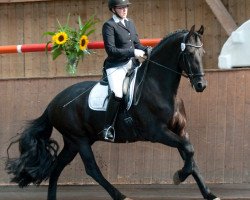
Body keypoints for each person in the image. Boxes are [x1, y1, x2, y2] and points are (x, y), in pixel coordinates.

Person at [101, 0, 148, 141]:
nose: (124, 10)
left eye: (126, 7)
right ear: (113, 9)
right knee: (118, 93)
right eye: (121, 8)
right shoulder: (109, 26)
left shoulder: (130, 23)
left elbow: (137, 43)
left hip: (133, 65)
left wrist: (148, 50)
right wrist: (133, 52)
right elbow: (111, 50)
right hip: (116, 66)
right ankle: (107, 127)